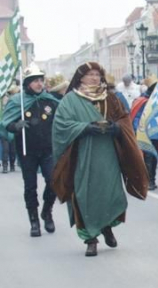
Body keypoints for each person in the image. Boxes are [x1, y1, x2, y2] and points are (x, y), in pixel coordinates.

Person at [51, 62, 148, 257]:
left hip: (107, 154)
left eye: (97, 74)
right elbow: (61, 126)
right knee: (84, 195)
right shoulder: (70, 100)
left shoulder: (109, 98)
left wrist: (117, 128)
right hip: (82, 155)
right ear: (81, 78)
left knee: (110, 193)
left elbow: (123, 119)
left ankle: (106, 226)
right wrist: (84, 128)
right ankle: (90, 239)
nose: (95, 78)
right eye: (90, 75)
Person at [1, 65, 60, 236]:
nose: (39, 84)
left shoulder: (50, 100)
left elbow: (62, 120)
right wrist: (15, 126)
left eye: (41, 80)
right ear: (27, 83)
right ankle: (34, 221)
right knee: (30, 186)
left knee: (53, 181)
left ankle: (47, 211)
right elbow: (6, 124)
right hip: (27, 150)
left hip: (48, 149)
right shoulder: (17, 101)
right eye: (35, 81)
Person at [130, 80, 158, 190]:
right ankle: (148, 180)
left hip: (155, 133)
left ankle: (152, 179)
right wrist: (139, 130)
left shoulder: (157, 100)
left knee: (153, 157)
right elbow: (137, 117)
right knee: (147, 156)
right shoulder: (142, 101)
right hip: (144, 133)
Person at [1, 88, 19, 173]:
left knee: (13, 149)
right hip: (4, 130)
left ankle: (12, 165)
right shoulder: (2, 109)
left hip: (13, 129)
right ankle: (5, 165)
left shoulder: (14, 106)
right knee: (5, 149)